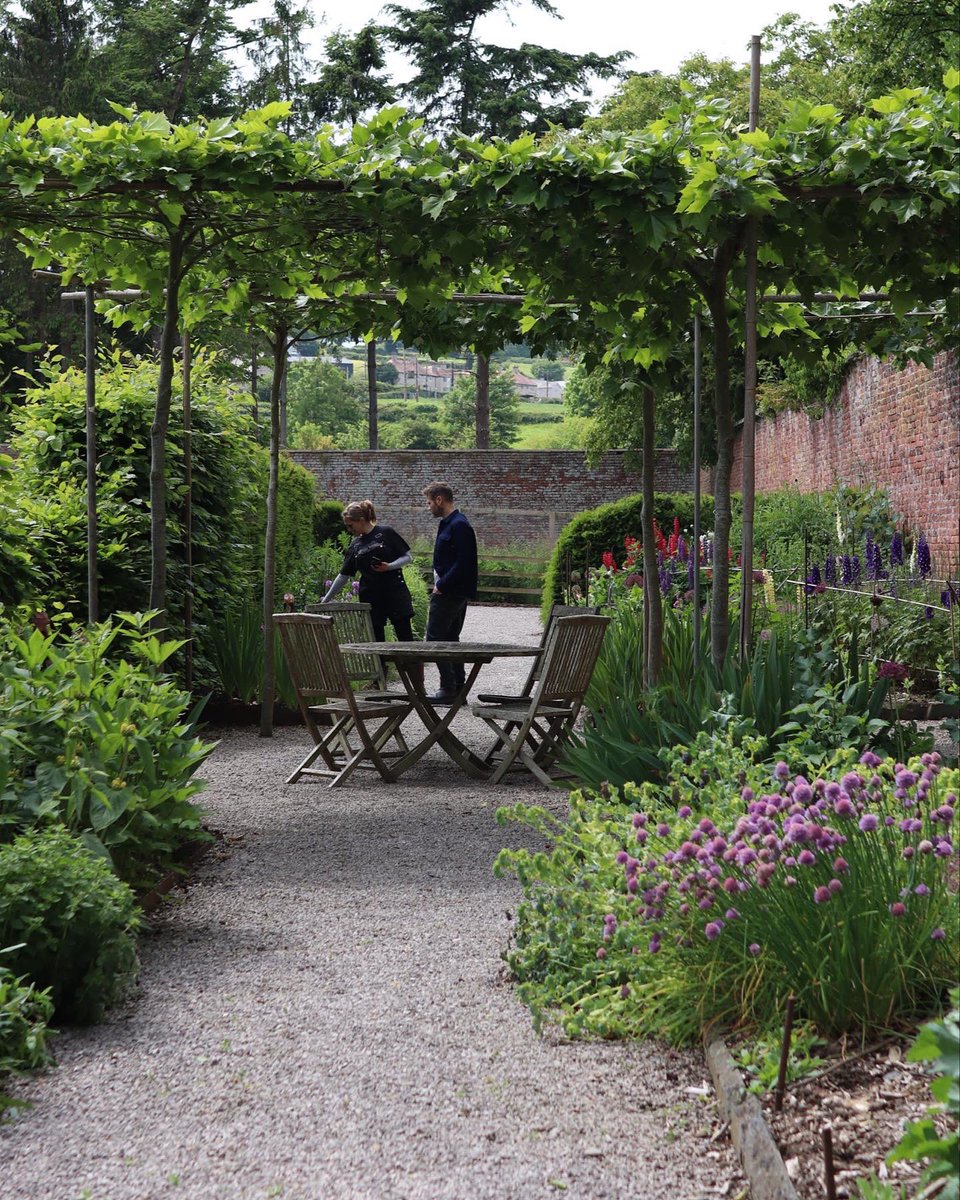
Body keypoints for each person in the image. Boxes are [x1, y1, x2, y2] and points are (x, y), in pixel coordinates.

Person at [321, 500, 415, 641]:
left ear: (361, 520)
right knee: (376, 641)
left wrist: (389, 566)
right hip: (371, 598)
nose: (349, 530)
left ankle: (408, 657)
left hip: (395, 593)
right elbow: (344, 575)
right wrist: (325, 600)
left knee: (405, 638)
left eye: (350, 525)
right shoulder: (355, 545)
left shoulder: (386, 532)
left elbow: (407, 557)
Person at [423, 481, 478, 703]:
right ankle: (458, 690)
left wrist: (442, 585)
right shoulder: (449, 524)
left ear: (439, 500)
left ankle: (448, 689)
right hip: (452, 589)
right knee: (450, 638)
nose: (428, 507)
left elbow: (465, 562)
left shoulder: (459, 525)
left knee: (434, 638)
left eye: (429, 503)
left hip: (451, 591)